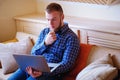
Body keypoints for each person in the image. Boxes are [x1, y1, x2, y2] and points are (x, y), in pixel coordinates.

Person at [8, 3, 80, 80]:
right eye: (48, 19)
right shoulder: (44, 32)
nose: (50, 23)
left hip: (51, 74)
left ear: (62, 17)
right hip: (32, 67)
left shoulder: (71, 38)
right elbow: (33, 53)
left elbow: (67, 64)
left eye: (54, 19)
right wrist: (45, 43)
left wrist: (43, 73)